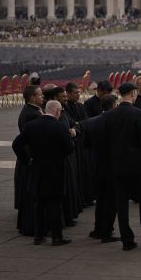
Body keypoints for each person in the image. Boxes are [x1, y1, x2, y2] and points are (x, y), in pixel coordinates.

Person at [12, 100, 74, 246]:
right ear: (57, 111)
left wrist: (27, 159)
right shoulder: (60, 127)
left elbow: (16, 144)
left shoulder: (31, 125)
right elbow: (69, 148)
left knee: (39, 204)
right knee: (55, 205)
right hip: (55, 171)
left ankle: (38, 236)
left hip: (37, 169)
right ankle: (56, 237)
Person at [105, 82, 141, 250]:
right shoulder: (138, 113)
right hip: (137, 164)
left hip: (118, 164)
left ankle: (127, 240)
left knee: (122, 204)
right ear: (133, 93)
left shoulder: (111, 114)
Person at [43, 85, 83, 225]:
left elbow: (75, 124)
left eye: (66, 96)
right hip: (60, 158)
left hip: (68, 158)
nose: (66, 99)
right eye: (63, 96)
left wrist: (74, 131)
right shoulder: (52, 117)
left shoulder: (64, 113)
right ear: (55, 98)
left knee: (70, 187)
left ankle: (69, 216)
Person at [83, 93, 119, 243]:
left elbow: (86, 144)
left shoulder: (90, 122)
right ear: (114, 106)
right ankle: (107, 232)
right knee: (111, 201)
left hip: (96, 165)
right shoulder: (117, 123)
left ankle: (98, 229)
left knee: (100, 199)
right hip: (112, 166)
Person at [14, 84, 44, 236]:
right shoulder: (31, 114)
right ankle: (31, 227)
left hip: (30, 158)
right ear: (32, 97)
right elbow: (25, 141)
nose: (42, 96)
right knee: (32, 197)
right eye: (40, 94)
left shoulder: (33, 110)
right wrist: (28, 159)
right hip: (32, 158)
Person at [65, 82, 93, 207]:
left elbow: (86, 122)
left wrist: (78, 124)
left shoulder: (81, 106)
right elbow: (71, 124)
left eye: (79, 92)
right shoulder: (65, 107)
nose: (78, 95)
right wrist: (78, 124)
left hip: (82, 142)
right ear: (68, 93)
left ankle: (86, 198)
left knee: (85, 170)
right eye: (75, 93)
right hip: (74, 143)